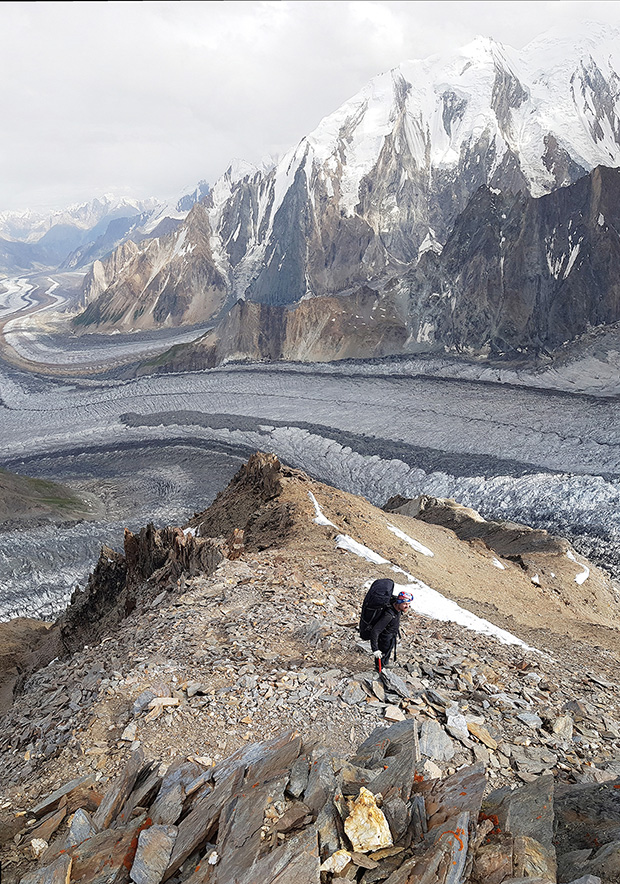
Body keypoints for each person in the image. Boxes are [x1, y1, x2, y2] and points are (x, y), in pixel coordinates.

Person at [359, 578, 414, 671]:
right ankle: (379, 671)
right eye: (405, 604)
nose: (407, 607)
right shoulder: (388, 615)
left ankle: (384, 665)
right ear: (399, 603)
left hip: (391, 635)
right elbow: (375, 631)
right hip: (385, 638)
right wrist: (375, 649)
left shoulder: (395, 604)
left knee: (386, 653)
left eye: (408, 604)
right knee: (382, 654)